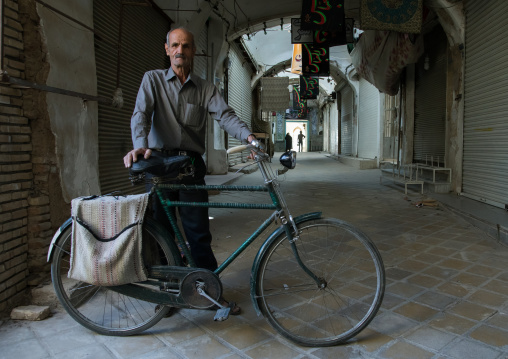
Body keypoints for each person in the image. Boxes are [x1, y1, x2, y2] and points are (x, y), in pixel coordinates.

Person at [123, 27, 256, 314]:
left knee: (199, 233)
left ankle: (208, 292)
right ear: (167, 49)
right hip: (159, 165)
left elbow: (226, 116)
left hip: (191, 168)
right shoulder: (153, 80)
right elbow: (141, 114)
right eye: (175, 45)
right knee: (162, 233)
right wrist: (140, 145)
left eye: (185, 45)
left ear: (194, 51)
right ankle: (169, 294)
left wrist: (249, 138)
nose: (180, 50)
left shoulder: (206, 88)